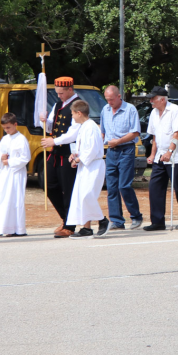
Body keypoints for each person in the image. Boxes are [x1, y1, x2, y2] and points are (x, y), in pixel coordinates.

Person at [144, 86, 178, 231]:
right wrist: (153, 154)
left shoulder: (175, 110)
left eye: (153, 98)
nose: (151, 101)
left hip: (175, 157)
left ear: (162, 99)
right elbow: (155, 137)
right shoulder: (154, 112)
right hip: (160, 155)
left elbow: (177, 133)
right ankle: (158, 221)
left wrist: (170, 152)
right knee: (155, 188)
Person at [40, 76, 81, 238]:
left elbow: (73, 133)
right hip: (56, 152)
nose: (59, 96)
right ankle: (66, 218)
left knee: (68, 189)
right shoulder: (58, 104)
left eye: (61, 93)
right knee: (48, 184)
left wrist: (54, 141)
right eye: (57, 93)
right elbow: (52, 124)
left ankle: (70, 225)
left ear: (70, 89)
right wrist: (45, 120)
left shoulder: (77, 105)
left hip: (68, 152)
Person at [100, 84, 143, 231]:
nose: (109, 102)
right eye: (107, 99)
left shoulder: (130, 109)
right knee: (111, 187)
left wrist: (118, 141)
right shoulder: (105, 110)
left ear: (119, 97)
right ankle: (117, 220)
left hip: (126, 150)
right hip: (111, 152)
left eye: (111, 99)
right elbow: (102, 133)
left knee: (124, 185)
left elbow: (135, 132)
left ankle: (136, 216)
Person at [65, 99, 109, 238]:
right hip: (85, 166)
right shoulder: (83, 127)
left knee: (87, 195)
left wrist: (79, 159)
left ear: (79, 113)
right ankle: (86, 227)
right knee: (81, 196)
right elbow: (83, 148)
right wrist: (75, 155)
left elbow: (92, 149)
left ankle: (103, 221)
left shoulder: (91, 127)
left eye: (72, 113)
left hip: (94, 165)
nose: (72, 116)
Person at [0, 113, 30, 238]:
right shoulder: (5, 139)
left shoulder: (21, 139)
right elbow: (0, 154)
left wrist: (9, 161)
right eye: (5, 128)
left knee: (12, 198)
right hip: (4, 172)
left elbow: (25, 158)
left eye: (9, 128)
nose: (7, 130)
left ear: (15, 124)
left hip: (15, 173)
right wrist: (2, 158)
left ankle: (13, 227)